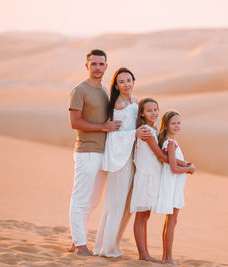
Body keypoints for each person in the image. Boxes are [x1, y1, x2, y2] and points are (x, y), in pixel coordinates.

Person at [68, 49, 121, 256]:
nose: (97, 67)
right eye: (94, 64)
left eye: (101, 64)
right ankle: (81, 245)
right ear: (87, 65)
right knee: (80, 199)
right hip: (86, 152)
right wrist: (103, 128)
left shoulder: (103, 92)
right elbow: (75, 122)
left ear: (106, 67)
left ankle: (76, 239)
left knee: (92, 202)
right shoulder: (79, 90)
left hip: (102, 153)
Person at [93, 67, 151, 258]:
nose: (126, 84)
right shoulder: (117, 104)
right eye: (122, 82)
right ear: (116, 86)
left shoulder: (135, 101)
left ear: (134, 82)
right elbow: (114, 136)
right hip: (120, 160)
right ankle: (106, 248)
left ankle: (114, 244)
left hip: (133, 158)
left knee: (127, 206)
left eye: (129, 80)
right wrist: (134, 134)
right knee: (115, 204)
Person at [130, 98, 191, 263]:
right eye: (149, 110)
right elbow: (160, 156)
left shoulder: (153, 130)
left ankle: (145, 253)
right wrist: (185, 165)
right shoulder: (147, 131)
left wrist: (182, 164)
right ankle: (143, 254)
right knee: (141, 215)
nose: (153, 113)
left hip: (152, 175)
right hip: (146, 176)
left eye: (155, 109)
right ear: (142, 113)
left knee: (145, 214)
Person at [156, 110, 196, 265]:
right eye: (173, 123)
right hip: (172, 186)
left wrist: (186, 164)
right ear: (166, 125)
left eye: (179, 123)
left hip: (173, 186)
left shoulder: (169, 141)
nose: (177, 126)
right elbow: (173, 168)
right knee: (171, 222)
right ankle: (168, 258)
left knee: (170, 222)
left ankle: (166, 256)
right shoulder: (170, 143)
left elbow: (173, 162)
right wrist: (189, 169)